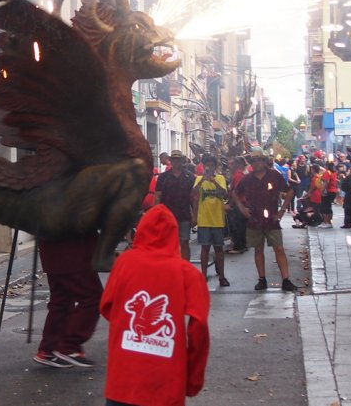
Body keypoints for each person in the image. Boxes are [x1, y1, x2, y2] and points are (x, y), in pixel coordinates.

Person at [101, 205, 210, 406]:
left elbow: (107, 306)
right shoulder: (189, 274)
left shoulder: (124, 263)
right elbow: (199, 326)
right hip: (165, 383)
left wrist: (126, 328)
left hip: (123, 381)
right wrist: (193, 379)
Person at [232, 147, 298, 292]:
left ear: (264, 161)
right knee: (258, 249)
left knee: (278, 248)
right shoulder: (247, 179)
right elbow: (235, 193)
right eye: (254, 161)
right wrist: (243, 209)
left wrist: (282, 211)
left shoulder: (274, 176)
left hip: (272, 218)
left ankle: (286, 279)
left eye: (259, 160)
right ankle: (262, 279)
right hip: (255, 219)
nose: (256, 164)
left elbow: (290, 190)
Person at [34, 232, 103, 368]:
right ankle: (69, 347)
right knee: (93, 298)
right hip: (72, 252)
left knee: (61, 301)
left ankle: (48, 350)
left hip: (53, 251)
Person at [192, 155, 229, 286]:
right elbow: (193, 194)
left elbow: (224, 193)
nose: (209, 168)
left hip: (218, 219)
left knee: (219, 249)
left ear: (215, 166)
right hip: (204, 220)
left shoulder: (220, 178)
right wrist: (202, 181)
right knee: (205, 248)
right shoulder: (199, 179)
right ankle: (203, 274)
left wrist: (213, 181)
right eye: (207, 165)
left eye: (212, 165)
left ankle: (222, 276)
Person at [155, 150, 196, 261]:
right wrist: (156, 214)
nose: (176, 162)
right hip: (167, 216)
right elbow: (157, 196)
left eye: (178, 160)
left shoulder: (190, 176)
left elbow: (193, 198)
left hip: (184, 215)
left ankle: (185, 268)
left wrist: (195, 215)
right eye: (174, 160)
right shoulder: (163, 177)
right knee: (167, 243)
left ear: (182, 161)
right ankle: (169, 268)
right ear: (171, 161)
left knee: (184, 242)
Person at [225, 156, 248, 254]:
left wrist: (230, 204)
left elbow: (236, 192)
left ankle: (239, 246)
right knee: (240, 225)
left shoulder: (238, 175)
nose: (230, 166)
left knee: (237, 225)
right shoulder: (239, 174)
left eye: (232, 164)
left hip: (238, 203)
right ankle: (241, 245)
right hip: (240, 202)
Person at [319, 162, 338, 229]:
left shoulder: (327, 173)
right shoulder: (334, 173)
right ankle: (327, 222)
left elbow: (326, 182)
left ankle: (327, 222)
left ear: (326, 166)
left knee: (325, 207)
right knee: (328, 206)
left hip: (328, 192)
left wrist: (321, 191)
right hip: (333, 191)